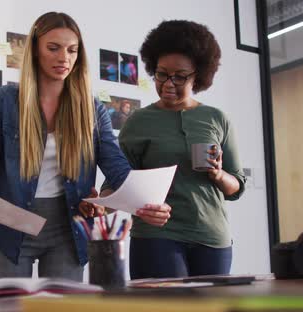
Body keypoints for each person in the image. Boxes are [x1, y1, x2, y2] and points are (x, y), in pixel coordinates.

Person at [0, 12, 159, 281]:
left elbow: (117, 168)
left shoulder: (92, 110)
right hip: (9, 225)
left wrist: (147, 202)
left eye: (72, 50)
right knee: (6, 306)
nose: (64, 58)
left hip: (68, 228)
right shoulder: (3, 101)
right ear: (34, 50)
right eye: (53, 48)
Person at [117, 20, 246, 279]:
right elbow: (119, 182)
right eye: (162, 74)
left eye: (180, 76)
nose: (168, 83)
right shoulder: (138, 121)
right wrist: (103, 202)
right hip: (156, 236)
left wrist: (219, 174)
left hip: (212, 238)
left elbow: (236, 188)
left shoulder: (217, 118)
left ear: (198, 74)